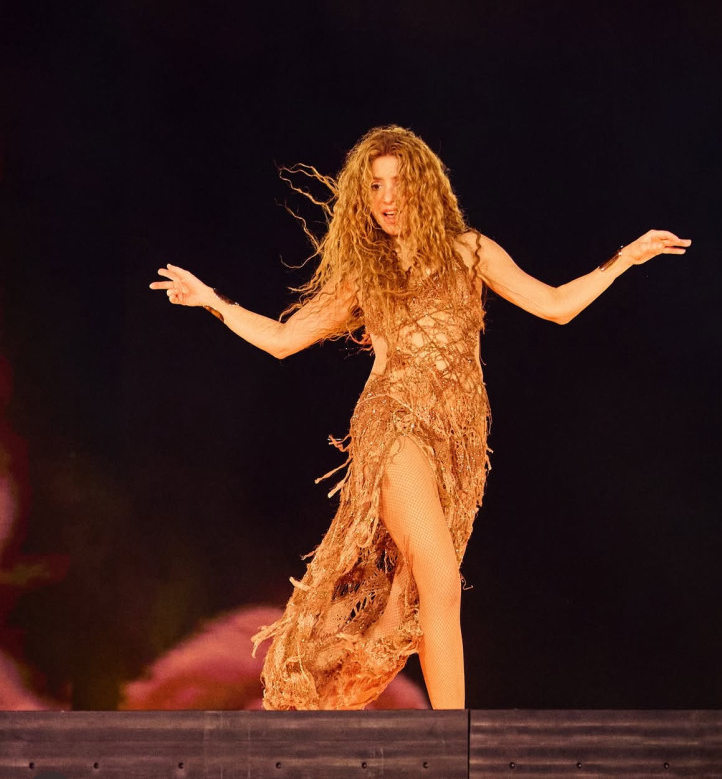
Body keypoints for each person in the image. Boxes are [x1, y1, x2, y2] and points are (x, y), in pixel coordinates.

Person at [150, 125, 690, 711]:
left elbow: (554, 305)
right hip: (394, 424)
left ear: (425, 188)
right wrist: (215, 301)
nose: (385, 197)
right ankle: (452, 739)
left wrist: (624, 259)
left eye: (398, 184)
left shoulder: (470, 250)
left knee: (404, 608)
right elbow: (286, 338)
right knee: (438, 577)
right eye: (374, 185)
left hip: (459, 440)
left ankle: (325, 713)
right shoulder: (367, 271)